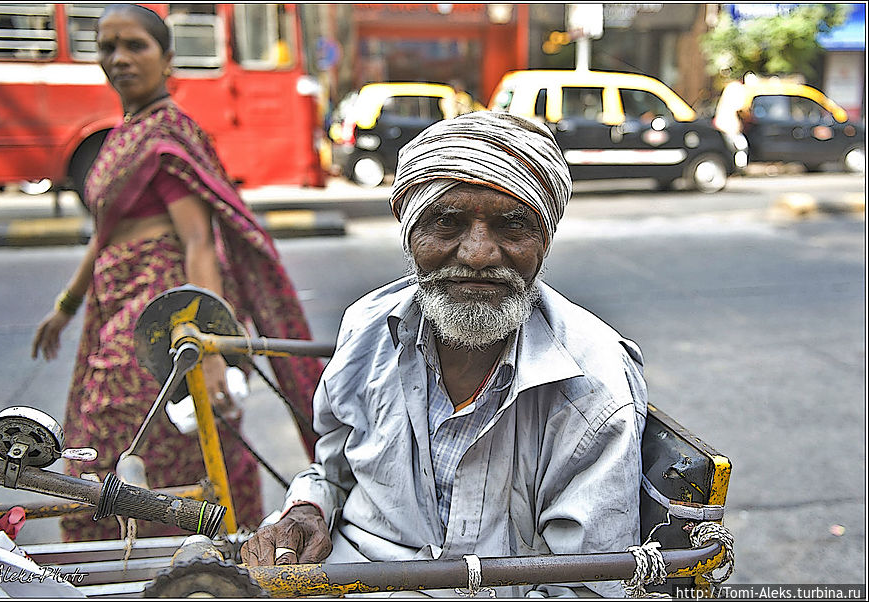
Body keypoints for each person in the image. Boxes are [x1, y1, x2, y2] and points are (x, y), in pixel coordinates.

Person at [241, 111, 648, 597]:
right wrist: (307, 508)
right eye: (447, 222)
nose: (478, 254)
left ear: (544, 241)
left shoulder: (594, 384)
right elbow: (333, 471)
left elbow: (587, 587)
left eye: (512, 225)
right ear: (410, 234)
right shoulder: (368, 329)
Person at [31, 4, 323, 542]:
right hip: (111, 304)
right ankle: (128, 562)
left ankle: (200, 558)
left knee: (130, 438)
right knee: (104, 448)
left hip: (158, 309)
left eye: (134, 46)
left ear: (168, 59)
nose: (118, 59)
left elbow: (198, 243)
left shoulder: (171, 134)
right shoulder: (125, 133)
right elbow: (105, 232)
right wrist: (65, 307)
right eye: (107, 47)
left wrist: (207, 343)